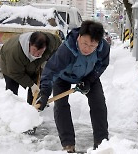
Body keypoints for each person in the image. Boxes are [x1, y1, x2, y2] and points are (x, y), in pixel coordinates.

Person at [36, 20, 110, 152]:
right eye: (84, 43)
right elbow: (51, 71)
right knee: (61, 105)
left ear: (98, 43)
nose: (87, 49)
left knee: (99, 104)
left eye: (92, 46)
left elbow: (101, 65)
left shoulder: (103, 48)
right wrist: (44, 93)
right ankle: (68, 144)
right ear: (79, 37)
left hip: (88, 76)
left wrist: (89, 80)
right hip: (63, 78)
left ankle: (101, 143)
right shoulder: (67, 49)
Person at [0, 31, 61, 105]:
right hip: (11, 67)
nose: (36, 54)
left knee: (36, 86)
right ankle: (11, 108)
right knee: (12, 89)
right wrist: (31, 85)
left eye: (40, 52)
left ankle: (33, 106)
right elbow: (15, 73)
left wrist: (50, 59)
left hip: (35, 66)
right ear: (29, 44)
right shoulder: (14, 52)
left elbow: (61, 48)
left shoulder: (52, 41)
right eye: (34, 50)